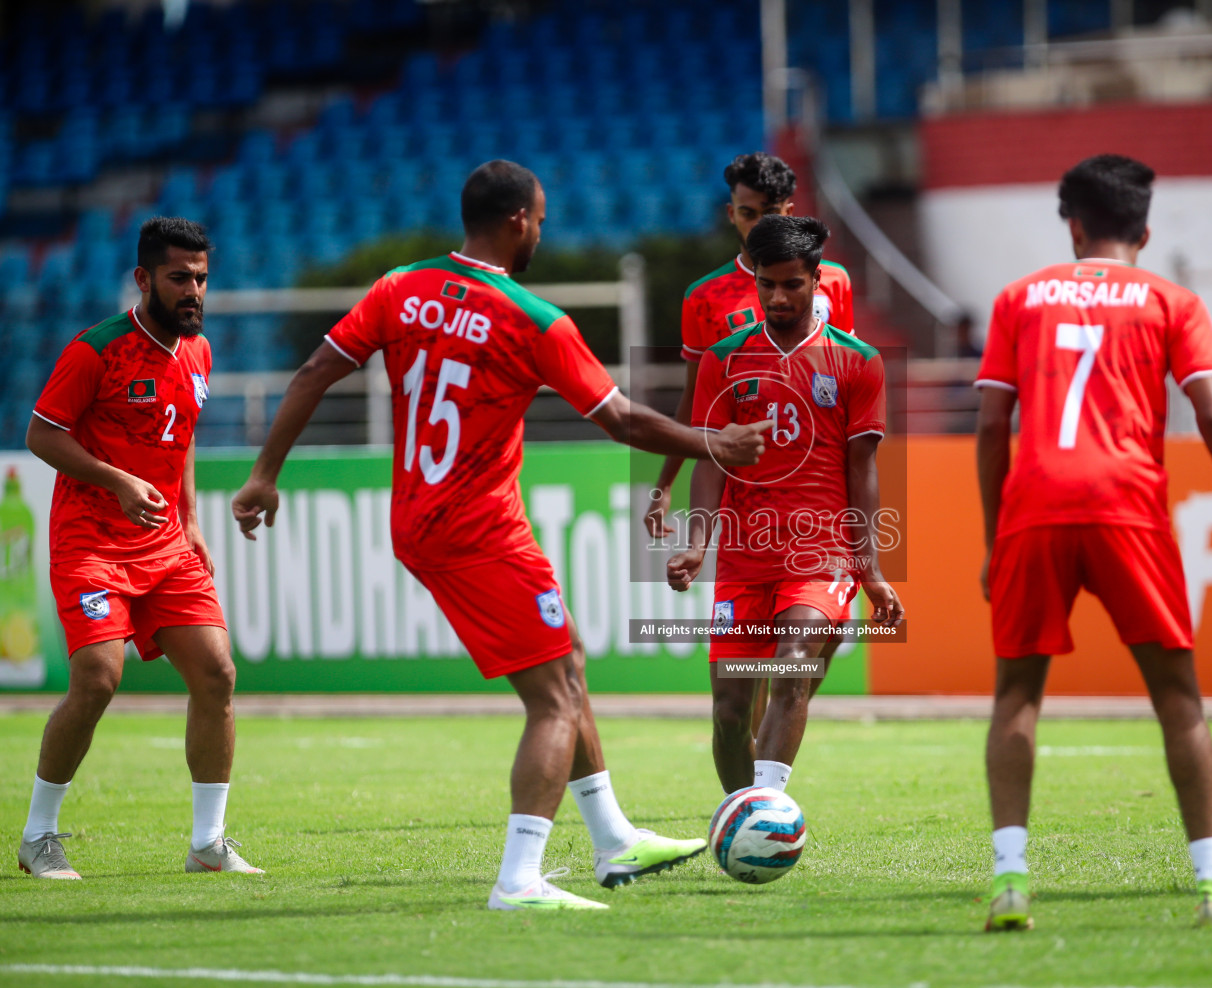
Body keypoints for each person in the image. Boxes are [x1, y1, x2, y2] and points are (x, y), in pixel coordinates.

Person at [230, 160, 768, 911]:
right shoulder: (533, 319)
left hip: (417, 516)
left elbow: (316, 370)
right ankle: (519, 878)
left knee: (567, 659)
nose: (542, 231)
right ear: (519, 220)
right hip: (477, 526)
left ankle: (612, 839)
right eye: (542, 219)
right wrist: (715, 442)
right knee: (555, 696)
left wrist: (263, 475)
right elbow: (620, 420)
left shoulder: (400, 288)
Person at [975, 155, 1212, 932]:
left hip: (1035, 505)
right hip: (1127, 506)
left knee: (1018, 694)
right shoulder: (1169, 300)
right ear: (1144, 230)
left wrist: (994, 539)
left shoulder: (1019, 298)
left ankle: (1011, 880)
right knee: (1178, 700)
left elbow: (991, 426)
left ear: (1073, 225)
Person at [18, 216, 260, 880]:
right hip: (91, 540)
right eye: (180, 278)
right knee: (98, 678)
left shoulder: (199, 352)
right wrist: (117, 480)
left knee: (217, 674)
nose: (194, 292)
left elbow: (176, 441)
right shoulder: (96, 350)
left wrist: (192, 520)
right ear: (143, 278)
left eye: (202, 279)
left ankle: (208, 843)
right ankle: (39, 836)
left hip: (166, 544)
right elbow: (41, 435)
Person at [666, 215, 902, 796]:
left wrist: (869, 570)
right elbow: (709, 457)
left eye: (791, 284)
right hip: (744, 560)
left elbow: (862, 468)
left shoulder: (857, 361)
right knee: (728, 712)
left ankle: (765, 812)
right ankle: (742, 815)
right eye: (766, 284)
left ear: (817, 279)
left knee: (791, 668)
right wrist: (697, 544)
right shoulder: (725, 360)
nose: (777, 296)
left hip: (820, 556)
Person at [644, 152, 855, 537]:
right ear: (731, 214)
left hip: (819, 478)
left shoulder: (834, 282)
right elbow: (695, 400)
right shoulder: (704, 297)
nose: (760, 224)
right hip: (744, 484)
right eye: (748, 213)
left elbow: (850, 383)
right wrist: (664, 485)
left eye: (771, 212)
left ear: (790, 210)